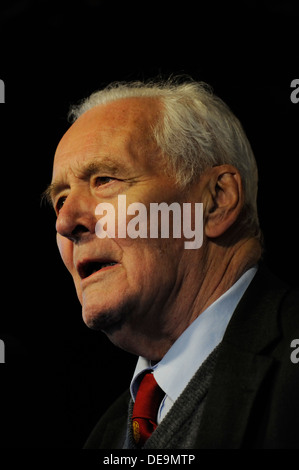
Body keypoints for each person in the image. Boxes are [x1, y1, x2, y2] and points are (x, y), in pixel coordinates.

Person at [44, 78, 299, 449]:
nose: (65, 223)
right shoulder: (105, 437)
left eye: (104, 180)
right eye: (60, 199)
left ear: (216, 201)